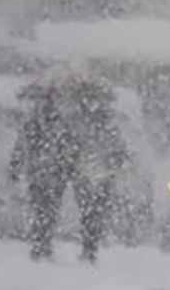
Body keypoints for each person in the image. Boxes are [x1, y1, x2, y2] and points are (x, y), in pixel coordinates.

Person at [8, 72, 130, 263]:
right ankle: (78, 250)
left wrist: (18, 163)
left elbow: (25, 140)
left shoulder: (45, 115)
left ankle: (46, 248)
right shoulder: (95, 116)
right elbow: (112, 140)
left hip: (56, 165)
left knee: (48, 208)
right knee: (82, 208)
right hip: (76, 166)